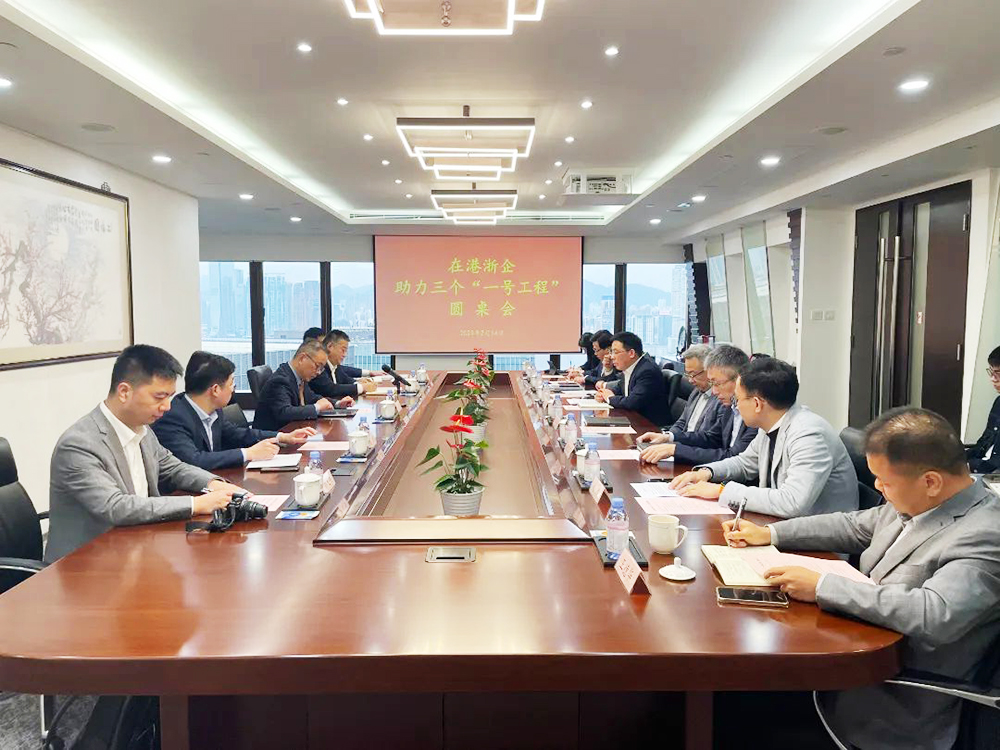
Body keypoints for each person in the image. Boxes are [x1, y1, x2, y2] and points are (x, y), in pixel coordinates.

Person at [724, 407, 1000, 750]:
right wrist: (770, 534)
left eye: (885, 482)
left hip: (892, 697)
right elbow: (852, 526)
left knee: (735, 711)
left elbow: (934, 613)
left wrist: (822, 586)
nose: (878, 488)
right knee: (730, 694)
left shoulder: (985, 534)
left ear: (931, 481)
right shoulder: (920, 502)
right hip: (852, 652)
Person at [46, 345, 248, 562]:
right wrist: (196, 504)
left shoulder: (142, 429)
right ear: (124, 392)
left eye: (170, 397)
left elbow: (173, 467)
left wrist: (213, 484)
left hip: (136, 545)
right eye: (159, 397)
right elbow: (116, 507)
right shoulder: (79, 444)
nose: (167, 406)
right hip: (86, 563)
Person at [671, 357, 858, 518]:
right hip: (781, 524)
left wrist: (722, 491)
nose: (736, 406)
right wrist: (706, 473)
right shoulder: (772, 424)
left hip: (818, 538)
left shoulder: (809, 435)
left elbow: (792, 501)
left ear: (757, 404)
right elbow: (745, 463)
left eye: (738, 399)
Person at [152, 351, 316, 471]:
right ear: (215, 390)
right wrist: (248, 453)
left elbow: (238, 434)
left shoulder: (214, 410)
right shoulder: (173, 417)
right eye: (232, 383)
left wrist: (282, 437)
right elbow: (194, 460)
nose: (233, 389)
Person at [638, 344, 754, 465]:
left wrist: (676, 450)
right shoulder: (731, 406)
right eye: (712, 383)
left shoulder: (755, 413)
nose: (714, 391)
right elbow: (711, 439)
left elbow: (733, 458)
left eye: (717, 383)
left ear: (739, 380)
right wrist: (669, 438)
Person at [252, 340, 353, 431]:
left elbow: (312, 397)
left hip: (293, 432)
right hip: (273, 438)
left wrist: (338, 403)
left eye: (321, 368)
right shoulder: (280, 380)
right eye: (317, 366)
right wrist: (317, 407)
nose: (318, 372)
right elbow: (285, 412)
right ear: (302, 358)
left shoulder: (299, 377)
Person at [594, 332, 670, 426]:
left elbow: (632, 402)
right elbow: (620, 388)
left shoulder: (647, 371)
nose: (612, 357)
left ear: (631, 353)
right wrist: (604, 393)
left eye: (615, 352)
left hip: (649, 426)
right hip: (634, 421)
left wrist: (610, 398)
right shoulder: (631, 367)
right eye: (611, 352)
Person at [310, 330, 378, 400]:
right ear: (330, 346)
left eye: (346, 351)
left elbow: (346, 380)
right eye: (343, 350)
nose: (345, 355)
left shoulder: (336, 366)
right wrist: (362, 387)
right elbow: (331, 389)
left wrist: (359, 382)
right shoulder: (320, 365)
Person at [967, 344, 1000, 474]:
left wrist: (970, 466)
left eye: (998, 373)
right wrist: (957, 458)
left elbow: (996, 463)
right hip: (982, 468)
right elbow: (984, 442)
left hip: (992, 475)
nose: (993, 379)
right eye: (991, 372)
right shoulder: (998, 402)